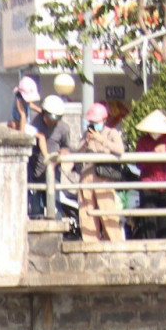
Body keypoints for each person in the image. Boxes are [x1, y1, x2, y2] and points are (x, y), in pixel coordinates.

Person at [73, 102, 128, 243]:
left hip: (104, 178)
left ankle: (114, 241)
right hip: (87, 176)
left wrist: (101, 140)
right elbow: (76, 153)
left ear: (104, 120)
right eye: (90, 122)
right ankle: (90, 243)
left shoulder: (111, 133)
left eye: (95, 122)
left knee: (107, 210)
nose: (92, 125)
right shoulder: (86, 135)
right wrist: (86, 142)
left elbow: (120, 150)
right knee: (87, 212)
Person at [131, 109, 166, 240]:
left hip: (165, 183)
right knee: (149, 217)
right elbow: (139, 164)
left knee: (164, 217)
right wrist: (152, 154)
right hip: (148, 183)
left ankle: (163, 244)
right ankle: (149, 243)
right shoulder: (143, 141)